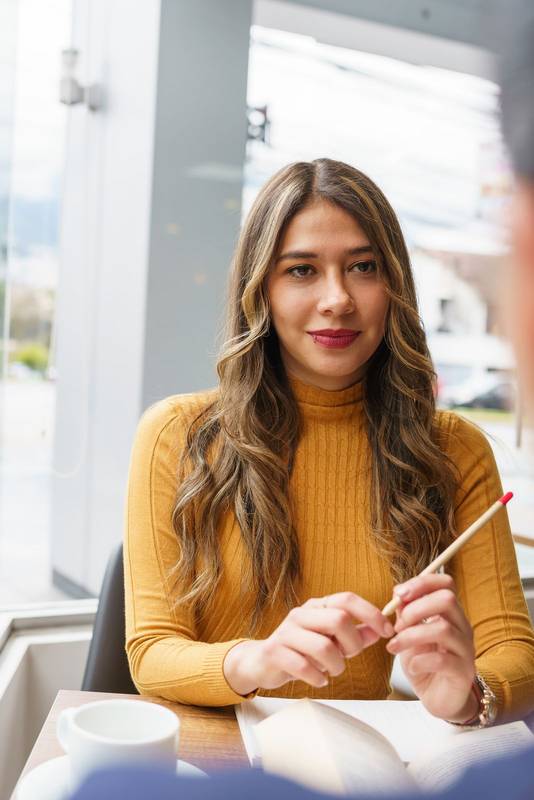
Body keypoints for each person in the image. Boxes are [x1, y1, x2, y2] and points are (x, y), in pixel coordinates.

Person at [124, 156, 534, 726]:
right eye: (301, 270)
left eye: (363, 267)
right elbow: (152, 653)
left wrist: (467, 695)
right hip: (213, 760)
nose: (338, 298)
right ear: (259, 288)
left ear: (393, 285)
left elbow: (513, 651)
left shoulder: (454, 450)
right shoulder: (178, 434)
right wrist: (260, 661)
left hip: (365, 763)